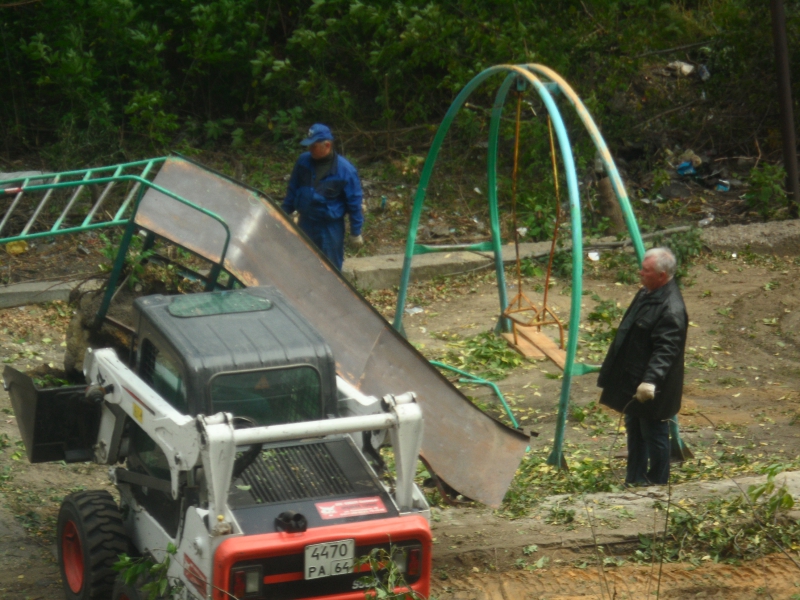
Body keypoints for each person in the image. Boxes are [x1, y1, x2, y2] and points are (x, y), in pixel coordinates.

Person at [597, 247, 688, 486]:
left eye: (645, 271)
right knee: (635, 430)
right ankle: (635, 479)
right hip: (633, 378)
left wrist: (650, 381)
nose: (640, 273)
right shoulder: (647, 293)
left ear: (662, 275)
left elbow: (666, 351)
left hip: (653, 386)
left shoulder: (671, 309)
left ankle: (657, 482)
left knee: (654, 433)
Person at [282, 123, 364, 270]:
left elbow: (354, 203)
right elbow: (293, 189)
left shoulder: (345, 170)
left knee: (330, 269)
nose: (310, 149)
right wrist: (283, 212)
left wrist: (355, 232)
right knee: (302, 265)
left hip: (329, 228)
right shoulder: (303, 162)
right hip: (305, 223)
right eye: (309, 146)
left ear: (327, 145)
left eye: (314, 146)